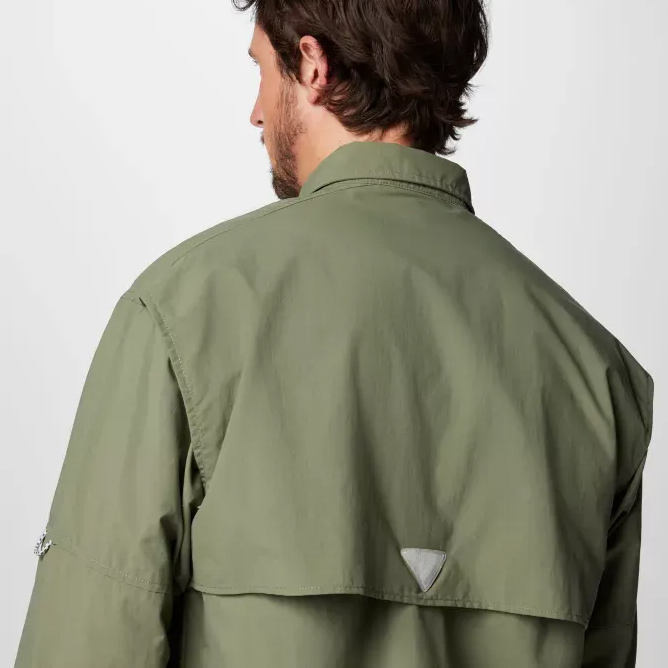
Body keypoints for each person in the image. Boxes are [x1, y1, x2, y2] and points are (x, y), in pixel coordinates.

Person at [15, 1, 654, 667]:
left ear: (313, 65)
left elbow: (87, 645)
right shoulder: (599, 372)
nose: (256, 112)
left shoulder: (182, 310)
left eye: (263, 71)